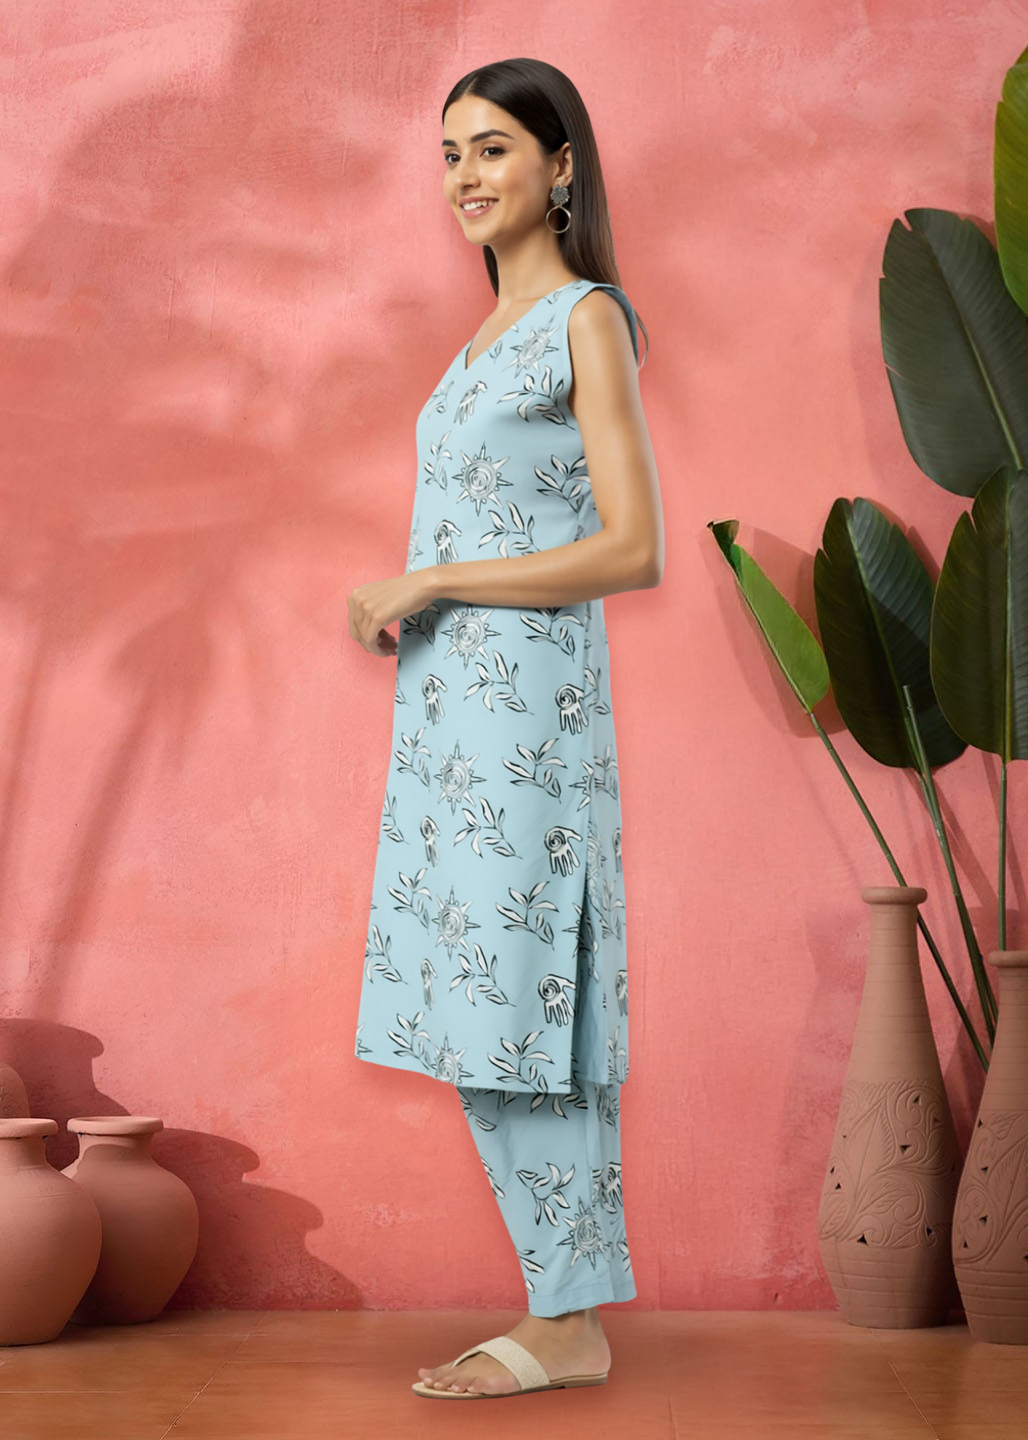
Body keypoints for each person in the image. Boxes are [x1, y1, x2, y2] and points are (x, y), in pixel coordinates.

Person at [347, 56, 663, 1400]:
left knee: (532, 996)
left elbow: (633, 547)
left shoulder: (584, 320)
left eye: (491, 149)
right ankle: (564, 1306)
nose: (465, 177)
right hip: (450, 725)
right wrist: (419, 601)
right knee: (478, 1001)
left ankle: (568, 1317)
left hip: (529, 712)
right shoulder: (482, 338)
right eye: (450, 154)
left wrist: (433, 579)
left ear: (560, 163)